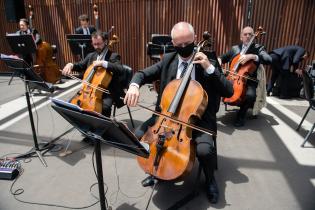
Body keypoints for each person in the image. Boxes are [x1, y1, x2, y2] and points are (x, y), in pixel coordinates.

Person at [124, 22, 233, 204]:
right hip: (167, 115)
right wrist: (134, 86)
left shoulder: (209, 59)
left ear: (195, 39)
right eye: (179, 45)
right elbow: (142, 74)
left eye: (187, 43)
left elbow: (229, 91)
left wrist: (209, 68)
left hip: (197, 118)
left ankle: (210, 180)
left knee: (204, 151)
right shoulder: (168, 59)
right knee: (140, 135)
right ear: (173, 43)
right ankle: (155, 169)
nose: (183, 48)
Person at [62, 30, 126, 117]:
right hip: (89, 90)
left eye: (99, 44)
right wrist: (71, 65)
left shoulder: (113, 56)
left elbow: (120, 69)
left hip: (108, 90)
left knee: (104, 108)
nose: (96, 47)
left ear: (105, 42)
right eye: (94, 44)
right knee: (71, 104)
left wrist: (103, 63)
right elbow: (80, 65)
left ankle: (104, 127)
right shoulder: (91, 56)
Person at [218, 26, 272, 127]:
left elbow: (269, 59)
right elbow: (223, 58)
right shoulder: (235, 48)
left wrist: (252, 56)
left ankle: (241, 115)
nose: (248, 36)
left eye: (250, 34)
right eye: (245, 34)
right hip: (233, 77)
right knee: (217, 86)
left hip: (249, 80)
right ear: (241, 37)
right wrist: (219, 60)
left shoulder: (258, 48)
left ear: (253, 36)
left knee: (250, 95)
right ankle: (213, 114)